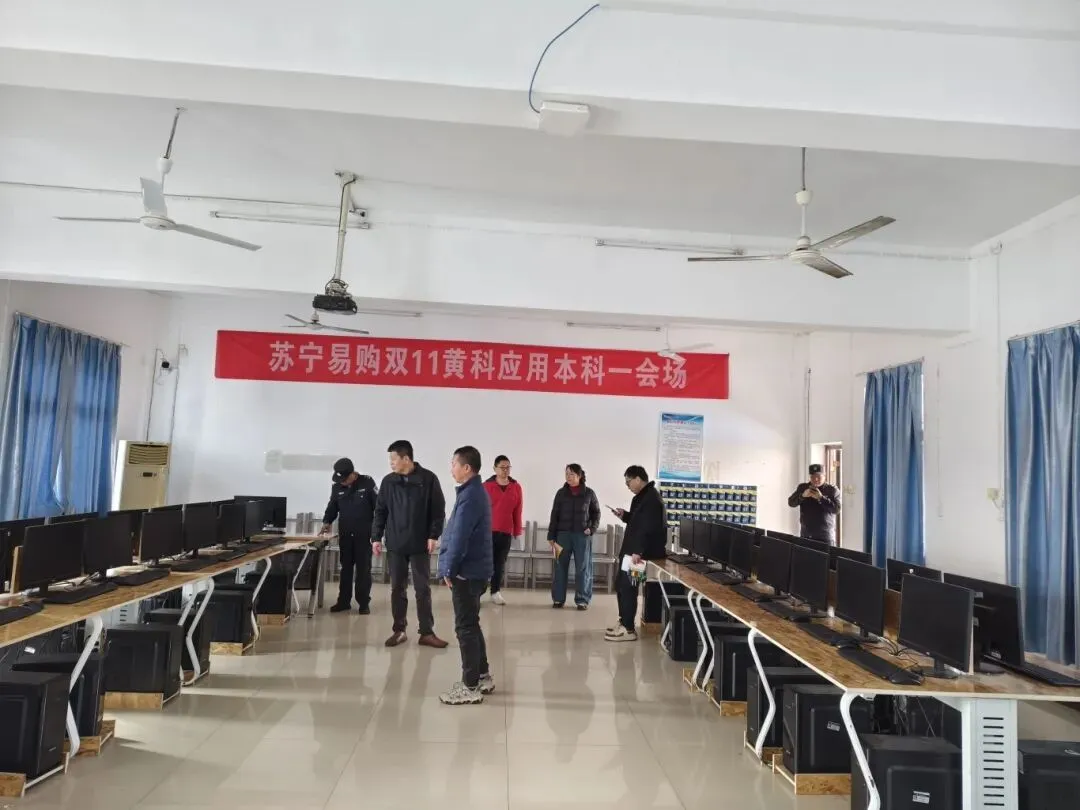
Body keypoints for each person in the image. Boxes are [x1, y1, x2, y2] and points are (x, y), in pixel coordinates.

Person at [372, 440, 449, 648]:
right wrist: (376, 537)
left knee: (422, 589)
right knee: (397, 588)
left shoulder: (428, 479)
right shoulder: (388, 482)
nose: (391, 463)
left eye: (393, 459)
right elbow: (380, 511)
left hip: (419, 543)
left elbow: (438, 511)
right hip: (396, 543)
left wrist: (433, 535)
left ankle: (427, 632)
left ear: (406, 458)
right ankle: (399, 630)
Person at [437, 446, 495, 705]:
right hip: (474, 569)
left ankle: (470, 686)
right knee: (472, 623)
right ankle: (482, 676)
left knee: (465, 627)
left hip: (467, 571)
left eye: (454, 464)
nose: (451, 468)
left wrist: (449, 568)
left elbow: (459, 536)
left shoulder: (471, 495)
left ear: (466, 468)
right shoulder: (472, 492)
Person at [605, 465, 667, 642]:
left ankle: (629, 629)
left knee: (629, 587)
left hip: (639, 554)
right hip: (632, 550)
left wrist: (638, 551)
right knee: (622, 585)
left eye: (628, 482)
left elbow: (648, 528)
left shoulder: (652, 499)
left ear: (638, 479)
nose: (627, 486)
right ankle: (624, 621)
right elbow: (637, 521)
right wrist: (624, 515)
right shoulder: (641, 497)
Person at [320, 458, 379, 614]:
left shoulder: (367, 483)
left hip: (364, 535)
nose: (343, 482)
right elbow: (332, 506)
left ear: (353, 474)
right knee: (345, 568)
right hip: (346, 534)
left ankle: (363, 603)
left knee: (363, 569)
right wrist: (326, 522)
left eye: (345, 479)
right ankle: (343, 601)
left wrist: (377, 533)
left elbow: (379, 507)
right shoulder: (337, 487)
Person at [547, 463, 601, 610]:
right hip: (562, 535)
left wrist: (592, 528)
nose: (568, 477)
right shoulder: (561, 493)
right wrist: (551, 535)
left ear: (579, 476)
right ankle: (558, 599)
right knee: (560, 567)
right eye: (566, 474)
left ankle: (582, 600)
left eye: (571, 474)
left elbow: (596, 513)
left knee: (583, 568)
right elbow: (554, 515)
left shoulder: (589, 493)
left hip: (582, 536)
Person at [483, 454, 523, 605]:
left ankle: (495, 591)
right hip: (487, 531)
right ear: (495, 468)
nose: (505, 470)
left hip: (506, 531)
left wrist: (517, 531)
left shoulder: (516, 487)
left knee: (499, 563)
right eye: (502, 467)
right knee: (485, 562)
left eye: (508, 467)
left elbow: (518, 510)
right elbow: (479, 509)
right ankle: (479, 591)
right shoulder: (486, 486)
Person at [787, 463, 842, 544]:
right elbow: (791, 503)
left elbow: (837, 509)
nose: (815, 479)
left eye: (818, 476)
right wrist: (802, 496)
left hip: (825, 537)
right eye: (812, 476)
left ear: (824, 476)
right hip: (806, 535)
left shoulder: (832, 490)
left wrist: (821, 498)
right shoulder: (803, 487)